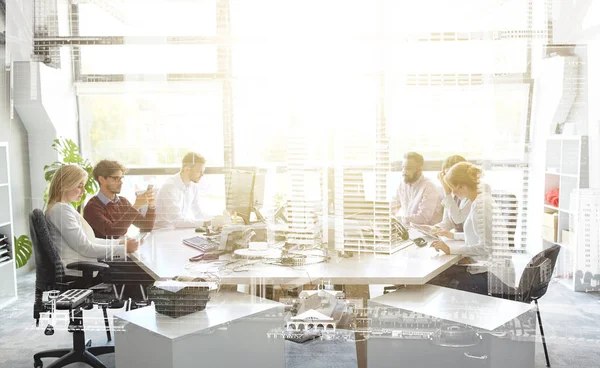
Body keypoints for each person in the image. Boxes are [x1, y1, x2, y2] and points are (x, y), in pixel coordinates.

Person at [45, 165, 140, 277]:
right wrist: (122, 249)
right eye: (79, 186)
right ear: (65, 185)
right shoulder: (60, 210)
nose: (83, 191)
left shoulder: (64, 208)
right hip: (78, 269)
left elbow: (90, 240)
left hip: (85, 264)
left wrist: (120, 243)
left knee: (136, 268)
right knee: (140, 273)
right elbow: (85, 248)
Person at [429, 162, 496, 294]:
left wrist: (451, 249)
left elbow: (487, 247)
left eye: (452, 187)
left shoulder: (481, 206)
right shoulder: (478, 202)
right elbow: (479, 236)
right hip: (481, 267)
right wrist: (453, 236)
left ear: (461, 186)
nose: (452, 192)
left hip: (485, 275)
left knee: (434, 280)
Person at [84, 160, 156, 239]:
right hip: (106, 250)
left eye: (121, 178)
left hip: (122, 247)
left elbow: (146, 226)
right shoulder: (92, 207)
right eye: (116, 178)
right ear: (102, 179)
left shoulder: (122, 202)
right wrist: (136, 206)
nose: (121, 182)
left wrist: (151, 205)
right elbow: (112, 233)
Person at [155, 152, 208, 228]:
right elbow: (177, 221)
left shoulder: (193, 185)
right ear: (186, 169)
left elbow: (198, 213)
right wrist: (204, 223)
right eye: (199, 171)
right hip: (163, 231)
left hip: (178, 231)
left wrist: (215, 221)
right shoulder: (169, 187)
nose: (202, 175)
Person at [419, 155, 470, 234]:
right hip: (459, 239)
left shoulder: (471, 193)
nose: (449, 180)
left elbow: (458, 219)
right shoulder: (452, 194)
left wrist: (447, 192)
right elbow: (448, 222)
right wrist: (434, 228)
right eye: (446, 175)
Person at [391, 152, 443, 226]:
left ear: (419, 169)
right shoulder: (402, 184)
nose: (404, 172)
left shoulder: (430, 187)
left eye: (408, 168)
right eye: (403, 167)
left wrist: (399, 220)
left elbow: (423, 218)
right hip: (411, 231)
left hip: (427, 234)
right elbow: (394, 205)